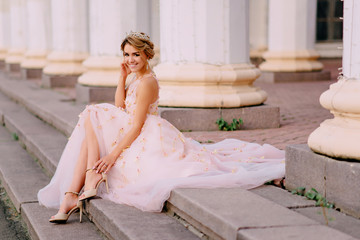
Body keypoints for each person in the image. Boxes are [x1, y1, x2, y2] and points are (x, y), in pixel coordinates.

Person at [38, 31, 285, 223]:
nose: (130, 59)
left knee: (91, 114)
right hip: (134, 128)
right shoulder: (134, 77)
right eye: (126, 54)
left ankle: (75, 191)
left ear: (147, 55)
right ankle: (84, 184)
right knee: (91, 117)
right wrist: (122, 78)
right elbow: (119, 107)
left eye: (136, 54)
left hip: (146, 133)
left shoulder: (147, 82)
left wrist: (112, 156)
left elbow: (135, 125)